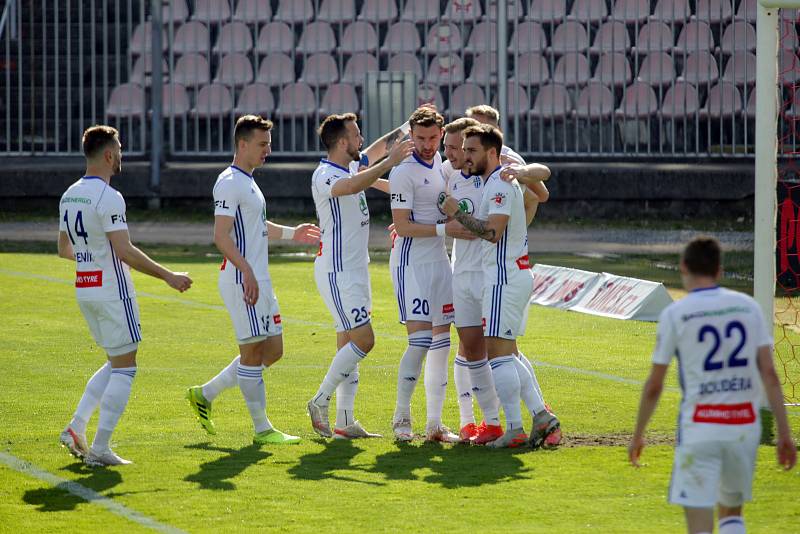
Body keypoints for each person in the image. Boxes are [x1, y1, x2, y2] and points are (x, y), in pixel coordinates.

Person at [629, 236, 797, 534]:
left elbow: (655, 385)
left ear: (683, 267)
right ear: (720, 270)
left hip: (699, 427)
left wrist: (639, 434)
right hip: (743, 427)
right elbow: (769, 374)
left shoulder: (676, 314)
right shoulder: (748, 308)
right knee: (732, 514)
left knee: (700, 524)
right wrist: (784, 433)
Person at [58, 125, 193, 466]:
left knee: (115, 361)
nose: (122, 155)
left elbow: (64, 249)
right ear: (108, 155)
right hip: (112, 291)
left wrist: (93, 257)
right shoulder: (109, 196)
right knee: (126, 367)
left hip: (86, 288)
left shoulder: (70, 194)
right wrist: (168, 275)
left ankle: (76, 427)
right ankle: (100, 449)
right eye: (119, 149)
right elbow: (124, 250)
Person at [186, 115, 320, 445]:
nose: (268, 150)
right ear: (242, 144)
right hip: (241, 279)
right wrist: (246, 271)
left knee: (272, 351)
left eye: (269, 144)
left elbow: (257, 225)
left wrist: (292, 233)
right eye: (262, 144)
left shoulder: (248, 181)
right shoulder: (230, 181)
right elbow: (220, 236)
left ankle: (204, 394)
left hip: (258, 278)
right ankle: (262, 429)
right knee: (251, 353)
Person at [440, 124, 560, 448]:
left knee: (500, 357)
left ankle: (514, 429)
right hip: (507, 274)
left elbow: (492, 232)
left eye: (472, 150)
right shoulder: (495, 181)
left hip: (503, 277)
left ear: (492, 153)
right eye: (464, 150)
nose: (465, 157)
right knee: (505, 353)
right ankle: (541, 416)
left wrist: (455, 213)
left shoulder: (500, 185)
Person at [306, 112, 414, 439]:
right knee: (365, 340)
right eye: (356, 135)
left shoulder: (350, 164)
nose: (361, 140)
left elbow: (381, 146)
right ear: (342, 142)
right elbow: (354, 185)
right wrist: (387, 164)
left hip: (355, 269)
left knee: (347, 344)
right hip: (337, 272)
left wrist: (407, 125)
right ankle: (319, 400)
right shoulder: (325, 174)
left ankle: (344, 423)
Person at [389, 106, 464, 443]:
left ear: (442, 134)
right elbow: (402, 227)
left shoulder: (442, 165)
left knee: (442, 344)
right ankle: (401, 417)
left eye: (433, 137)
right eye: (420, 138)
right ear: (411, 136)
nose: (427, 144)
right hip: (410, 264)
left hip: (438, 263)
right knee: (419, 341)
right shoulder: (403, 171)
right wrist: (443, 228)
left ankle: (435, 424)